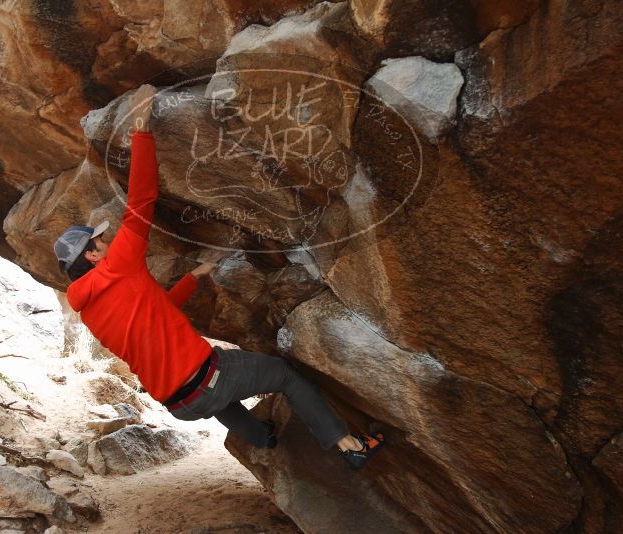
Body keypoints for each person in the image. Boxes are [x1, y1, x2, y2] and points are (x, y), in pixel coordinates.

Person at [53, 84, 385, 470]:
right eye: (99, 241)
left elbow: (155, 312)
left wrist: (196, 275)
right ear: (91, 256)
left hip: (179, 404)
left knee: (214, 392)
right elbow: (142, 199)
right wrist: (140, 129)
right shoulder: (117, 266)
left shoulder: (90, 309)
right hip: (206, 380)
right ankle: (349, 446)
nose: (106, 242)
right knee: (283, 374)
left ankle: (263, 438)